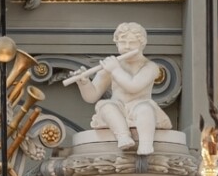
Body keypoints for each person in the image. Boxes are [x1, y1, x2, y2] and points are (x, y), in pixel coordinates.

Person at [67, 24, 171, 159]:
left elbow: (133, 87)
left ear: (142, 44)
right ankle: (123, 136)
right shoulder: (113, 65)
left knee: (145, 110)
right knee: (106, 106)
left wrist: (115, 70)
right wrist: (84, 82)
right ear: (116, 43)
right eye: (123, 42)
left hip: (140, 105)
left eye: (132, 42)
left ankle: (146, 143)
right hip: (118, 106)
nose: (127, 46)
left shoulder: (150, 67)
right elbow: (92, 96)